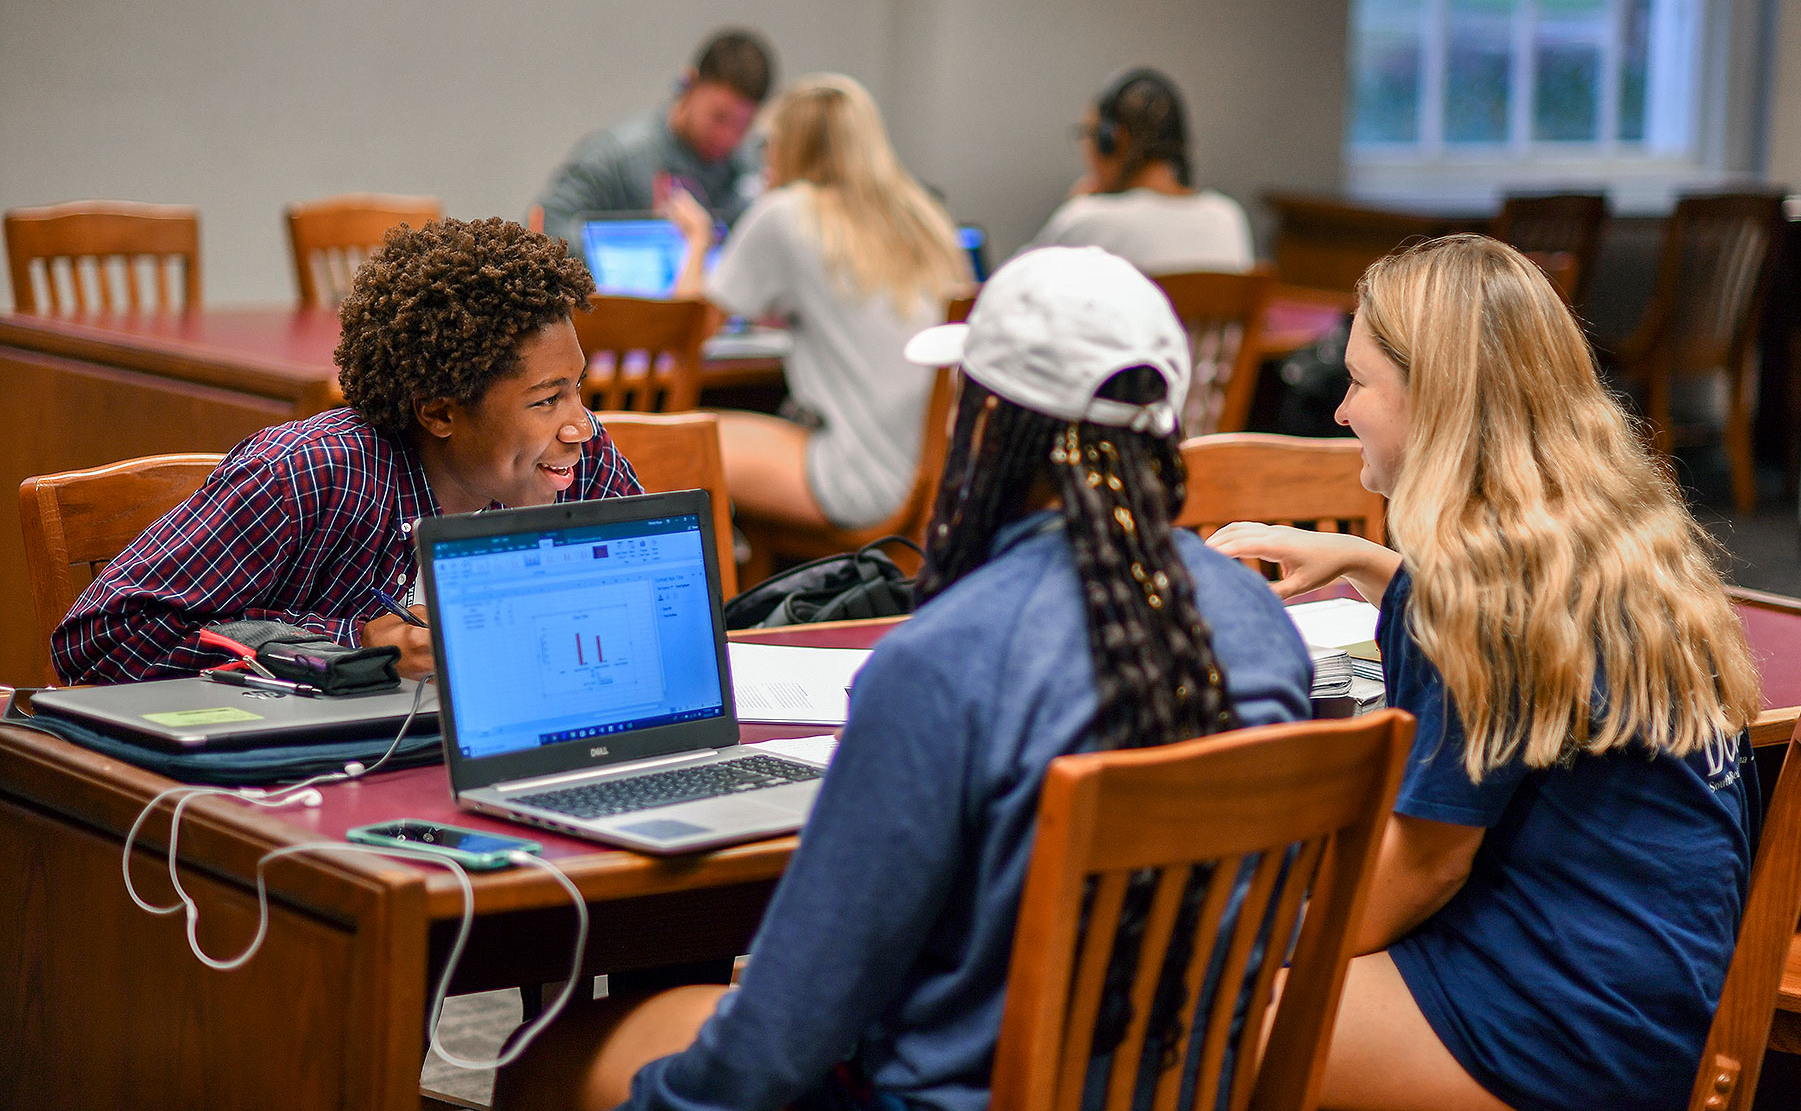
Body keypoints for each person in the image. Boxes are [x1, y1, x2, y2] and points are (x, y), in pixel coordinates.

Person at [493, 246, 1314, 1111]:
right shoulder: (1259, 624)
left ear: (988, 427)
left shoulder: (942, 662)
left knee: (551, 1051)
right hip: (1182, 1089)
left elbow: (784, 1035)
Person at [1209, 234, 1762, 1111]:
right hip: (1654, 999)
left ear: (1434, 399)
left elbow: (1423, 871)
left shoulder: (1464, 588)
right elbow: (1527, 642)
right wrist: (1373, 561)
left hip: (1559, 1031)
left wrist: (1248, 936)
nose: (1343, 411)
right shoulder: (1604, 534)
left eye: (1359, 383)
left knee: (1191, 1014)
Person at [52, 217, 641, 686]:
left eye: (578, 391)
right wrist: (354, 643)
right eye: (545, 402)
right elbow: (100, 639)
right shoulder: (310, 477)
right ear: (439, 412)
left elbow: (650, 603)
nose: (580, 427)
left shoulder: (577, 466)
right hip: (304, 787)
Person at [664, 72, 971, 530]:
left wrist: (697, 238)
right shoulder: (924, 218)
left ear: (792, 146)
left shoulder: (788, 213)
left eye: (769, 142)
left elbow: (682, 327)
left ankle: (721, 593)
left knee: (673, 446)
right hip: (939, 479)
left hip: (859, 478)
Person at [536, 28, 775, 250]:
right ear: (689, 84)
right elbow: (546, 227)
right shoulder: (618, 156)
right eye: (718, 117)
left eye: (743, 125)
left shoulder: (753, 170)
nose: (727, 136)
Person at [1023, 68, 1253, 274]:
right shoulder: (1227, 217)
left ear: (1112, 141)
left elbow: (1010, 290)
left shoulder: (1087, 219)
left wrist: (1073, 206)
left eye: (1089, 134)